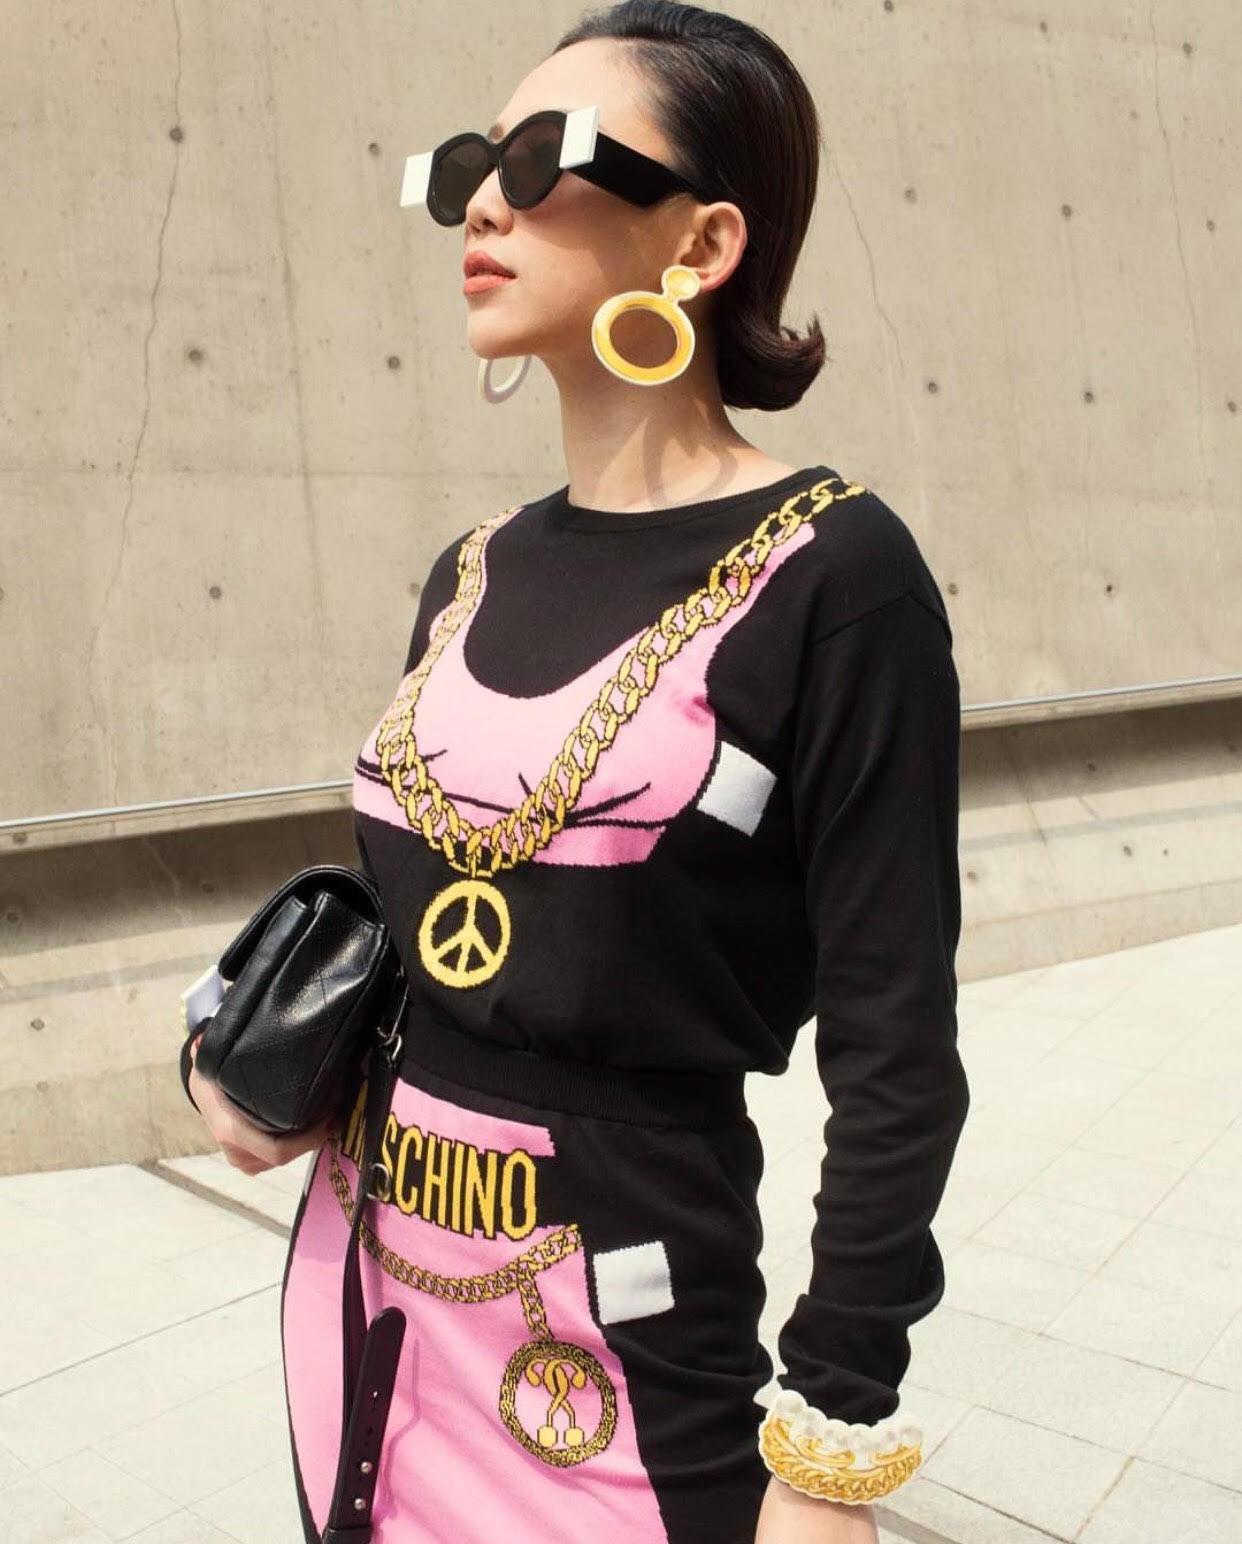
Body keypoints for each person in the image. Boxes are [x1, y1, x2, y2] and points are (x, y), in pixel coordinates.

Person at [183, 4, 970, 1541]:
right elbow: (426, 924)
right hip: (361, 1291)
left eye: (544, 159)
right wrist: (266, 1059)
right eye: (471, 164)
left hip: (615, 1339)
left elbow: (897, 1055)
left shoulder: (837, 576)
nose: (484, 201)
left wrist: (829, 1444)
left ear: (703, 241)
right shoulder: (470, 567)